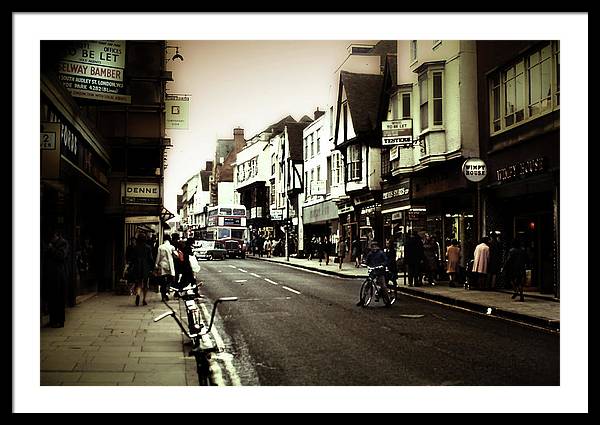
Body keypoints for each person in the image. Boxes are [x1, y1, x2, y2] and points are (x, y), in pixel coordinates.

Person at [42, 229, 70, 328]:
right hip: (50, 275)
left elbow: (61, 256)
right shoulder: (50, 244)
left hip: (59, 276)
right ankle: (52, 320)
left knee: (59, 298)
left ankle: (60, 321)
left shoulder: (63, 243)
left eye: (54, 237)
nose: (52, 239)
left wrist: (51, 249)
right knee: (52, 298)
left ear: (57, 235)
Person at [356, 241, 389, 306]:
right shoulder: (370, 254)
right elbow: (367, 261)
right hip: (373, 271)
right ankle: (363, 299)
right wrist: (365, 264)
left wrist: (382, 265)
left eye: (374, 247)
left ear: (377, 247)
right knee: (367, 284)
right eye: (372, 247)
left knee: (383, 286)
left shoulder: (381, 253)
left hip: (380, 271)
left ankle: (387, 301)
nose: (373, 248)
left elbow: (386, 260)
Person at [129, 233, 154, 306]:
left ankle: (138, 294)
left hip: (137, 267)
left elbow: (132, 258)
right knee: (145, 284)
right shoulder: (148, 247)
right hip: (146, 267)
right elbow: (150, 259)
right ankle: (144, 299)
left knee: (139, 283)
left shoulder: (135, 247)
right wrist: (152, 268)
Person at [155, 234, 176, 301]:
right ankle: (167, 290)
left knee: (162, 281)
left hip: (162, 265)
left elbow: (158, 257)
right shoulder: (172, 247)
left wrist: (156, 264)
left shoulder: (160, 247)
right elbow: (175, 256)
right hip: (170, 266)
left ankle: (163, 296)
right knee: (170, 279)